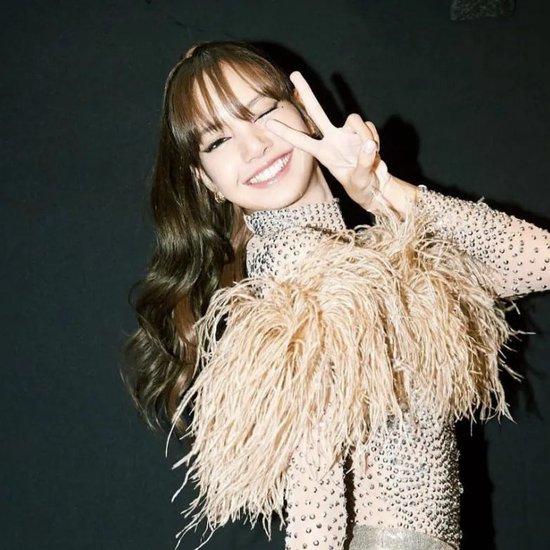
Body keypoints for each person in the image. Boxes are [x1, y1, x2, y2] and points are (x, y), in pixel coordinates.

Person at [122, 40, 550, 550]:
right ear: (206, 180)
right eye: (217, 141)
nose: (254, 146)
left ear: (304, 112)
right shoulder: (297, 282)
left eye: (262, 113)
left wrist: (380, 190)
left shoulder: (365, 257)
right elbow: (315, 493)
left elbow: (538, 261)